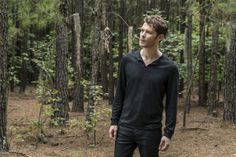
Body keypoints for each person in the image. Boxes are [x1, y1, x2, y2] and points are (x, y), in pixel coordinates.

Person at [108, 15, 179, 157]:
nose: (142, 35)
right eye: (142, 30)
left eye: (148, 32)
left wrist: (168, 133)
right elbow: (120, 94)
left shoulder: (170, 68)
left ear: (160, 37)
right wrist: (114, 121)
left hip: (150, 131)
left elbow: (172, 103)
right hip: (125, 127)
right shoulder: (127, 61)